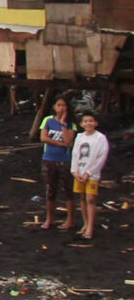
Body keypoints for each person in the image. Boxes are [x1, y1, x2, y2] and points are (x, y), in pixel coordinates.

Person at [39, 96, 78, 231]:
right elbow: (43, 138)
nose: (61, 108)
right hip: (49, 158)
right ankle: (50, 218)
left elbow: (69, 140)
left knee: (68, 190)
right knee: (50, 189)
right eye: (59, 105)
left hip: (65, 160)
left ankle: (70, 219)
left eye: (64, 106)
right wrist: (61, 144)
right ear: (54, 107)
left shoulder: (71, 124)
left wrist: (62, 124)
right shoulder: (48, 120)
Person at [70, 110, 109, 240]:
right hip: (79, 172)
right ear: (82, 124)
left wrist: (89, 172)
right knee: (82, 198)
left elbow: (101, 158)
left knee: (90, 199)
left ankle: (91, 227)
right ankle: (85, 223)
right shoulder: (80, 137)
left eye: (91, 121)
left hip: (92, 174)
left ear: (96, 123)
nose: (88, 123)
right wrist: (74, 171)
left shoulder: (100, 138)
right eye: (86, 121)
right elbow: (75, 154)